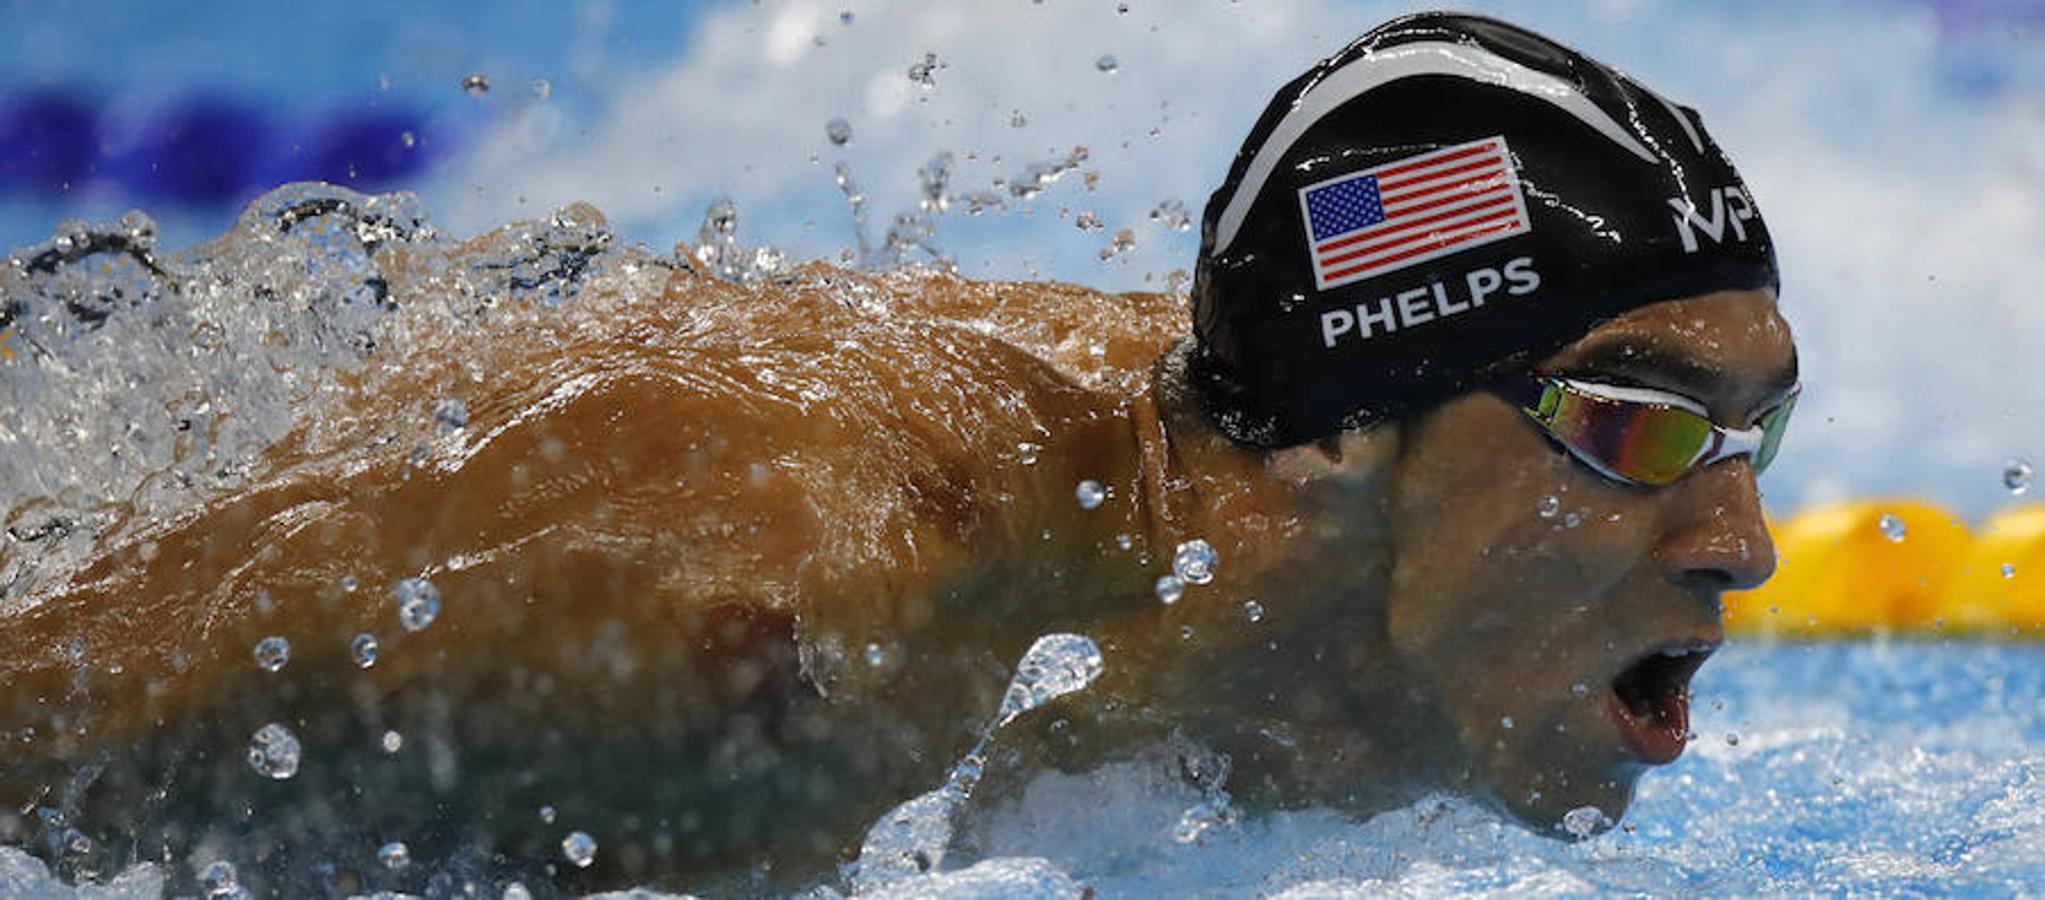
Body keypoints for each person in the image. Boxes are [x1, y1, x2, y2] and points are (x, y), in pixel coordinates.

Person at [0, 11, 1795, 895]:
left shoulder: (1283, 534)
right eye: (1637, 427)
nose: (1744, 542)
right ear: (1345, 447)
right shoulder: (770, 634)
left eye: (1752, 429)